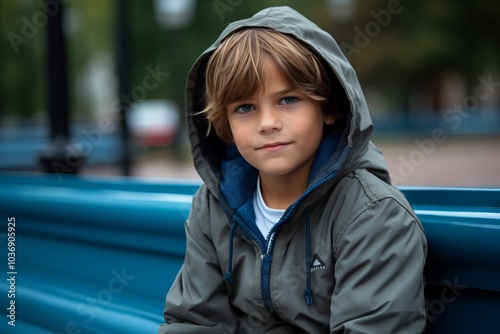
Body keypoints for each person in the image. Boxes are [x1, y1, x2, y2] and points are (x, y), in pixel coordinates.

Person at [159, 6, 427, 333]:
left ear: (329, 108)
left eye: (288, 100)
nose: (268, 123)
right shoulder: (213, 206)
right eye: (245, 107)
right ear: (225, 124)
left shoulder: (373, 217)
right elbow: (194, 322)